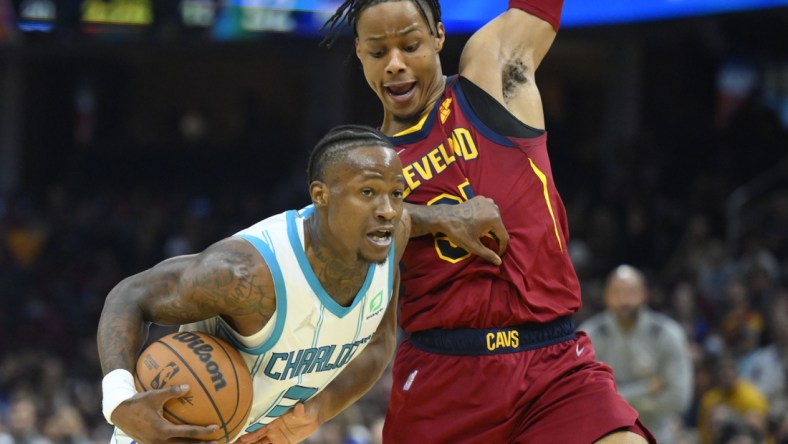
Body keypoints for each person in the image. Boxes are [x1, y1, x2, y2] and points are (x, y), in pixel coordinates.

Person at [311, 0, 657, 442]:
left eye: (411, 45)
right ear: (359, 52)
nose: (395, 64)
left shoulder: (490, 77)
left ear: (438, 35)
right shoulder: (364, 165)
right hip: (443, 382)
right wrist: (440, 219)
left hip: (551, 368)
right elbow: (334, 231)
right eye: (378, 52)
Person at [97, 124, 415, 444]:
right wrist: (119, 401)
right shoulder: (245, 273)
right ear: (321, 195)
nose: (387, 210)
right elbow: (130, 295)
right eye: (368, 192)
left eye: (397, 193)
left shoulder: (391, 237)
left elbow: (378, 342)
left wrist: (320, 408)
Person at [580, 265, 694, 443]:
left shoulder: (667, 334)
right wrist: (647, 388)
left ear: (644, 294)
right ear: (606, 296)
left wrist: (615, 400)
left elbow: (679, 398)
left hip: (657, 434)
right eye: (617, 292)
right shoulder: (589, 336)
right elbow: (585, 400)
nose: (624, 299)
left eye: (631, 292)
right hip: (606, 435)